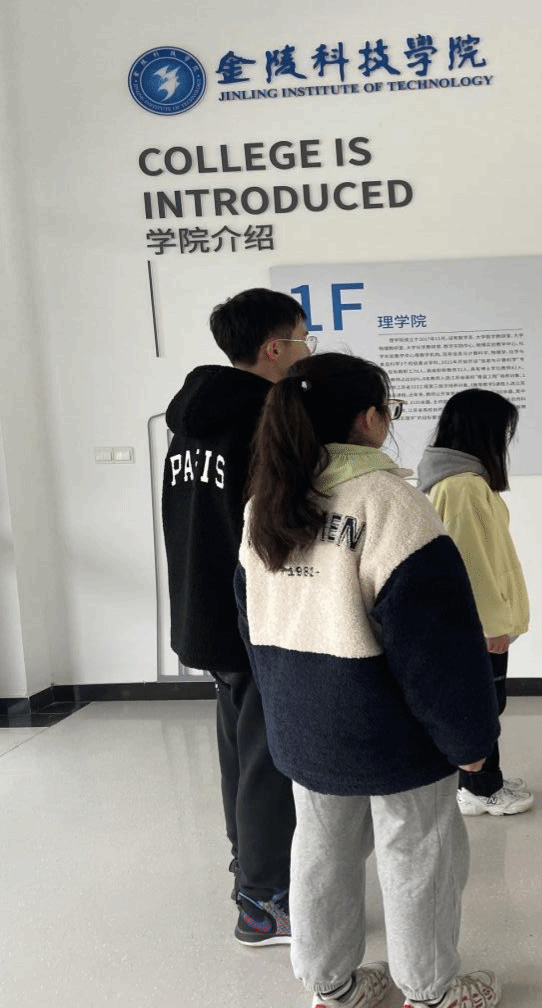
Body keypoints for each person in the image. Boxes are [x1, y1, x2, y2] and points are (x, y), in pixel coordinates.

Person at [236, 352, 502, 1008]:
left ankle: (331, 996)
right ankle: (430, 1002)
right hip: (392, 731)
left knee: (320, 851)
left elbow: (251, 621)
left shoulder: (266, 501)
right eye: (390, 409)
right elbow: (436, 647)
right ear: (368, 419)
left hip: (302, 722)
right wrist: (471, 742)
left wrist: (286, 709)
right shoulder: (389, 503)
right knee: (418, 854)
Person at [161, 287, 307, 946]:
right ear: (274, 347)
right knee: (268, 757)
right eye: (302, 338)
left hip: (205, 605)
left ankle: (250, 867)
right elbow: (281, 523)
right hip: (255, 611)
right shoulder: (264, 419)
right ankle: (263, 901)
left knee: (240, 747)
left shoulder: (192, 420)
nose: (306, 351)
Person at [417, 389, 534, 818]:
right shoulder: (463, 486)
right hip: (477, 625)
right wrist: (492, 626)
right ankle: (480, 790)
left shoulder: (461, 481)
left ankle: (484, 781)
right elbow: (472, 565)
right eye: (502, 431)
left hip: (472, 622)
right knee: (482, 706)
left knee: (481, 702)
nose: (504, 440)